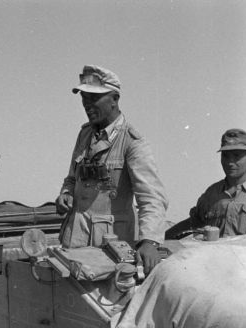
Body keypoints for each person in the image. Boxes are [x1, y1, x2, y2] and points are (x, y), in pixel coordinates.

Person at [55, 65, 169, 275]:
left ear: (114, 99)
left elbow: (152, 197)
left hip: (112, 248)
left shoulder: (133, 143)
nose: (87, 105)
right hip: (76, 241)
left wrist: (150, 241)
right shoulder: (85, 135)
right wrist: (66, 193)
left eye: (94, 98)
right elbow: (72, 178)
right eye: (84, 98)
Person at [166, 129, 246, 238]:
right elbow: (192, 224)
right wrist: (156, 240)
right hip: (214, 254)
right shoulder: (211, 194)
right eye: (225, 155)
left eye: (237, 155)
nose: (230, 162)